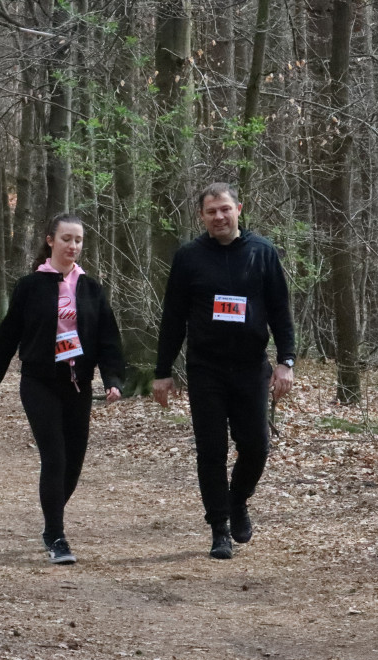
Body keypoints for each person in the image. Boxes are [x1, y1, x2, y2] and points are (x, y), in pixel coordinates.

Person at [153, 182, 295, 560]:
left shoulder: (262, 252)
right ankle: (219, 529)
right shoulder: (189, 257)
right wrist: (162, 370)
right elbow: (173, 318)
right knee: (211, 451)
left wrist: (286, 361)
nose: (219, 217)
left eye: (225, 209)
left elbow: (281, 310)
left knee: (256, 446)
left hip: (251, 368)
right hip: (206, 370)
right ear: (202, 216)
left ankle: (238, 501)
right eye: (211, 211)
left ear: (239, 210)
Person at [0, 214, 124, 565]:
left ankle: (50, 519)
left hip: (79, 385)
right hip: (39, 382)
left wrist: (114, 380)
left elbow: (108, 339)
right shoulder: (30, 286)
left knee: (73, 463)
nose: (72, 246)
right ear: (50, 241)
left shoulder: (92, 288)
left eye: (78, 241)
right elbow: (7, 336)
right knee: (54, 458)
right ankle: (57, 536)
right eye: (66, 239)